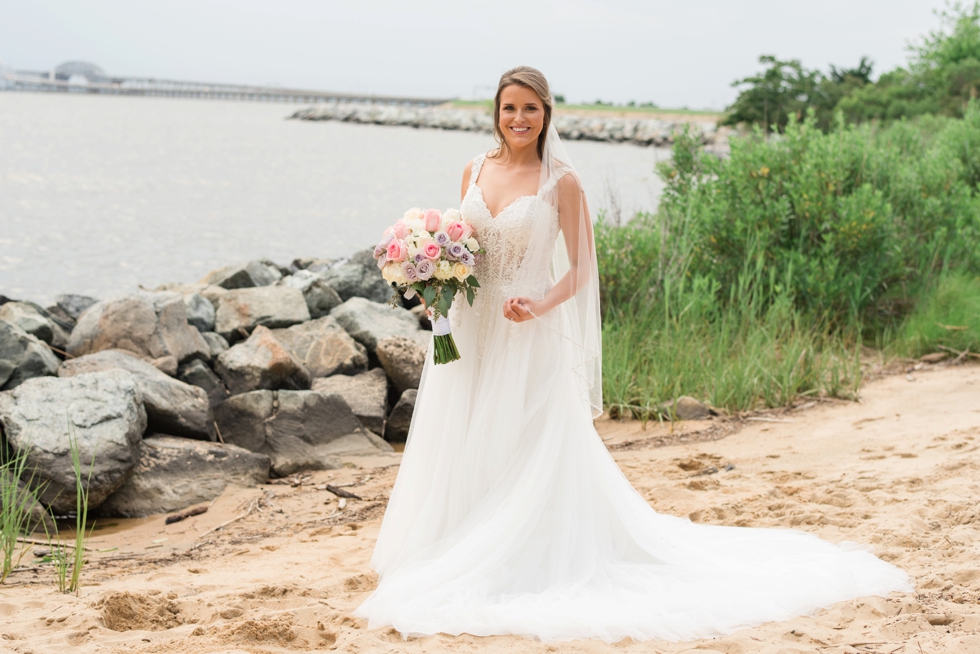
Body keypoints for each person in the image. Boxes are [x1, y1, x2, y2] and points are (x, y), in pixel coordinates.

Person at [354, 66, 911, 643]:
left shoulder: (561, 182)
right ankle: (454, 541)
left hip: (526, 331)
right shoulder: (473, 169)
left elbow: (582, 270)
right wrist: (434, 286)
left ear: (548, 115)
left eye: (531, 109)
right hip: (470, 330)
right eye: (509, 108)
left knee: (523, 443)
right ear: (495, 112)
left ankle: (515, 552)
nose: (518, 119)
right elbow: (463, 251)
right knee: (463, 433)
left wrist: (541, 304)